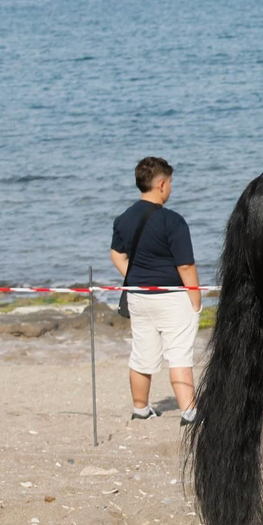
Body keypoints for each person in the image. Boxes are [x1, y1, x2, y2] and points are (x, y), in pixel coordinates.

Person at [110, 157, 200, 426]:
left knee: (142, 353)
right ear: (161, 184)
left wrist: (134, 277)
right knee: (180, 354)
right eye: (170, 182)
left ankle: (140, 409)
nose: (170, 188)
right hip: (171, 296)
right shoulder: (172, 221)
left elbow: (116, 254)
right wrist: (195, 298)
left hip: (138, 295)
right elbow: (185, 265)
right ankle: (189, 412)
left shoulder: (123, 218)